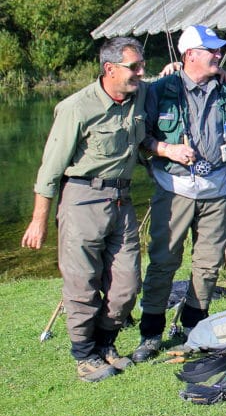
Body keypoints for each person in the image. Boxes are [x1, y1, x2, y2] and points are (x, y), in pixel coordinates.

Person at [22, 38, 148, 382]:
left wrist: (220, 72)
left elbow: (182, 79)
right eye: (134, 67)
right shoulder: (76, 107)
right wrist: (39, 221)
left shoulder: (141, 95)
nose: (141, 72)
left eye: (142, 65)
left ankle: (106, 342)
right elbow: (50, 170)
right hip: (82, 200)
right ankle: (84, 354)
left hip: (122, 202)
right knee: (82, 283)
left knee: (127, 283)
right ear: (110, 69)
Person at [133, 25, 226, 362]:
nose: (218, 55)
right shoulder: (159, 90)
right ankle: (151, 332)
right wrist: (168, 150)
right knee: (163, 261)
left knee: (208, 265)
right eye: (211, 50)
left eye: (218, 50)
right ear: (190, 56)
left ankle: (193, 328)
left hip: (217, 190)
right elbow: (142, 140)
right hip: (174, 190)